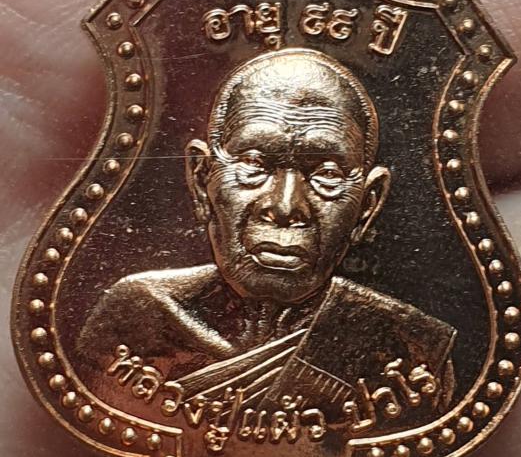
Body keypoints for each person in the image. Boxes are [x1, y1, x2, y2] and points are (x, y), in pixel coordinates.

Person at [79, 48, 455, 428]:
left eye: (326, 173)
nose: (286, 206)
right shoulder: (136, 319)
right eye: (254, 165)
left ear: (368, 205)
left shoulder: (409, 350)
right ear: (201, 180)